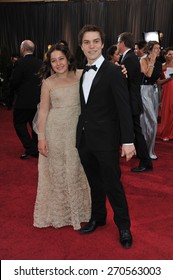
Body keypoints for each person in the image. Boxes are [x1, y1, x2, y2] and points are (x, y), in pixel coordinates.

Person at [76, 24, 136, 249]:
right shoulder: (81, 72)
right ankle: (98, 218)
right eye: (86, 42)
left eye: (95, 42)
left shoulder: (113, 71)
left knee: (113, 184)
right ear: (81, 46)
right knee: (94, 183)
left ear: (102, 44)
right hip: (84, 139)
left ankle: (123, 226)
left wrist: (128, 141)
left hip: (106, 141)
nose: (91, 46)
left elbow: (123, 108)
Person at [33, 43, 91, 230]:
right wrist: (41, 137)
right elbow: (42, 112)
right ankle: (60, 213)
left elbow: (103, 76)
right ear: (49, 64)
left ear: (68, 59)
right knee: (58, 172)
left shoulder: (81, 75)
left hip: (77, 131)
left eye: (61, 59)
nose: (58, 63)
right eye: (53, 60)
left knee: (76, 169)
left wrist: (121, 70)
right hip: (55, 131)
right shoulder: (48, 83)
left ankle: (80, 211)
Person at [117, 32, 153, 172]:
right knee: (136, 131)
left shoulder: (129, 58)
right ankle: (143, 158)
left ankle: (146, 162)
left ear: (122, 42)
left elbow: (125, 83)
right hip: (132, 100)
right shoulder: (129, 57)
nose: (117, 44)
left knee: (137, 132)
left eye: (118, 41)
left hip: (131, 101)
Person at [11, 40, 42, 159]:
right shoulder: (40, 63)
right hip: (37, 101)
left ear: (23, 49)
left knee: (19, 124)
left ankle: (30, 148)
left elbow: (15, 81)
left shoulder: (20, 63)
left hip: (23, 102)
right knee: (35, 126)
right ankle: (35, 148)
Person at [140, 41, 162, 159]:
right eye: (155, 48)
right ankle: (145, 150)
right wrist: (152, 61)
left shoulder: (159, 64)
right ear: (149, 50)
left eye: (159, 48)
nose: (158, 51)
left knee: (149, 121)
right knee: (151, 121)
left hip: (154, 91)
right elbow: (148, 75)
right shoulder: (143, 60)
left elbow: (156, 80)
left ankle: (149, 150)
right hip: (144, 91)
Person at [158, 47, 173, 141]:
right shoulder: (161, 66)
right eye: (170, 54)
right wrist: (168, 79)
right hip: (166, 91)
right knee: (166, 111)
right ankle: (165, 133)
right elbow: (158, 82)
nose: (172, 56)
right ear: (165, 55)